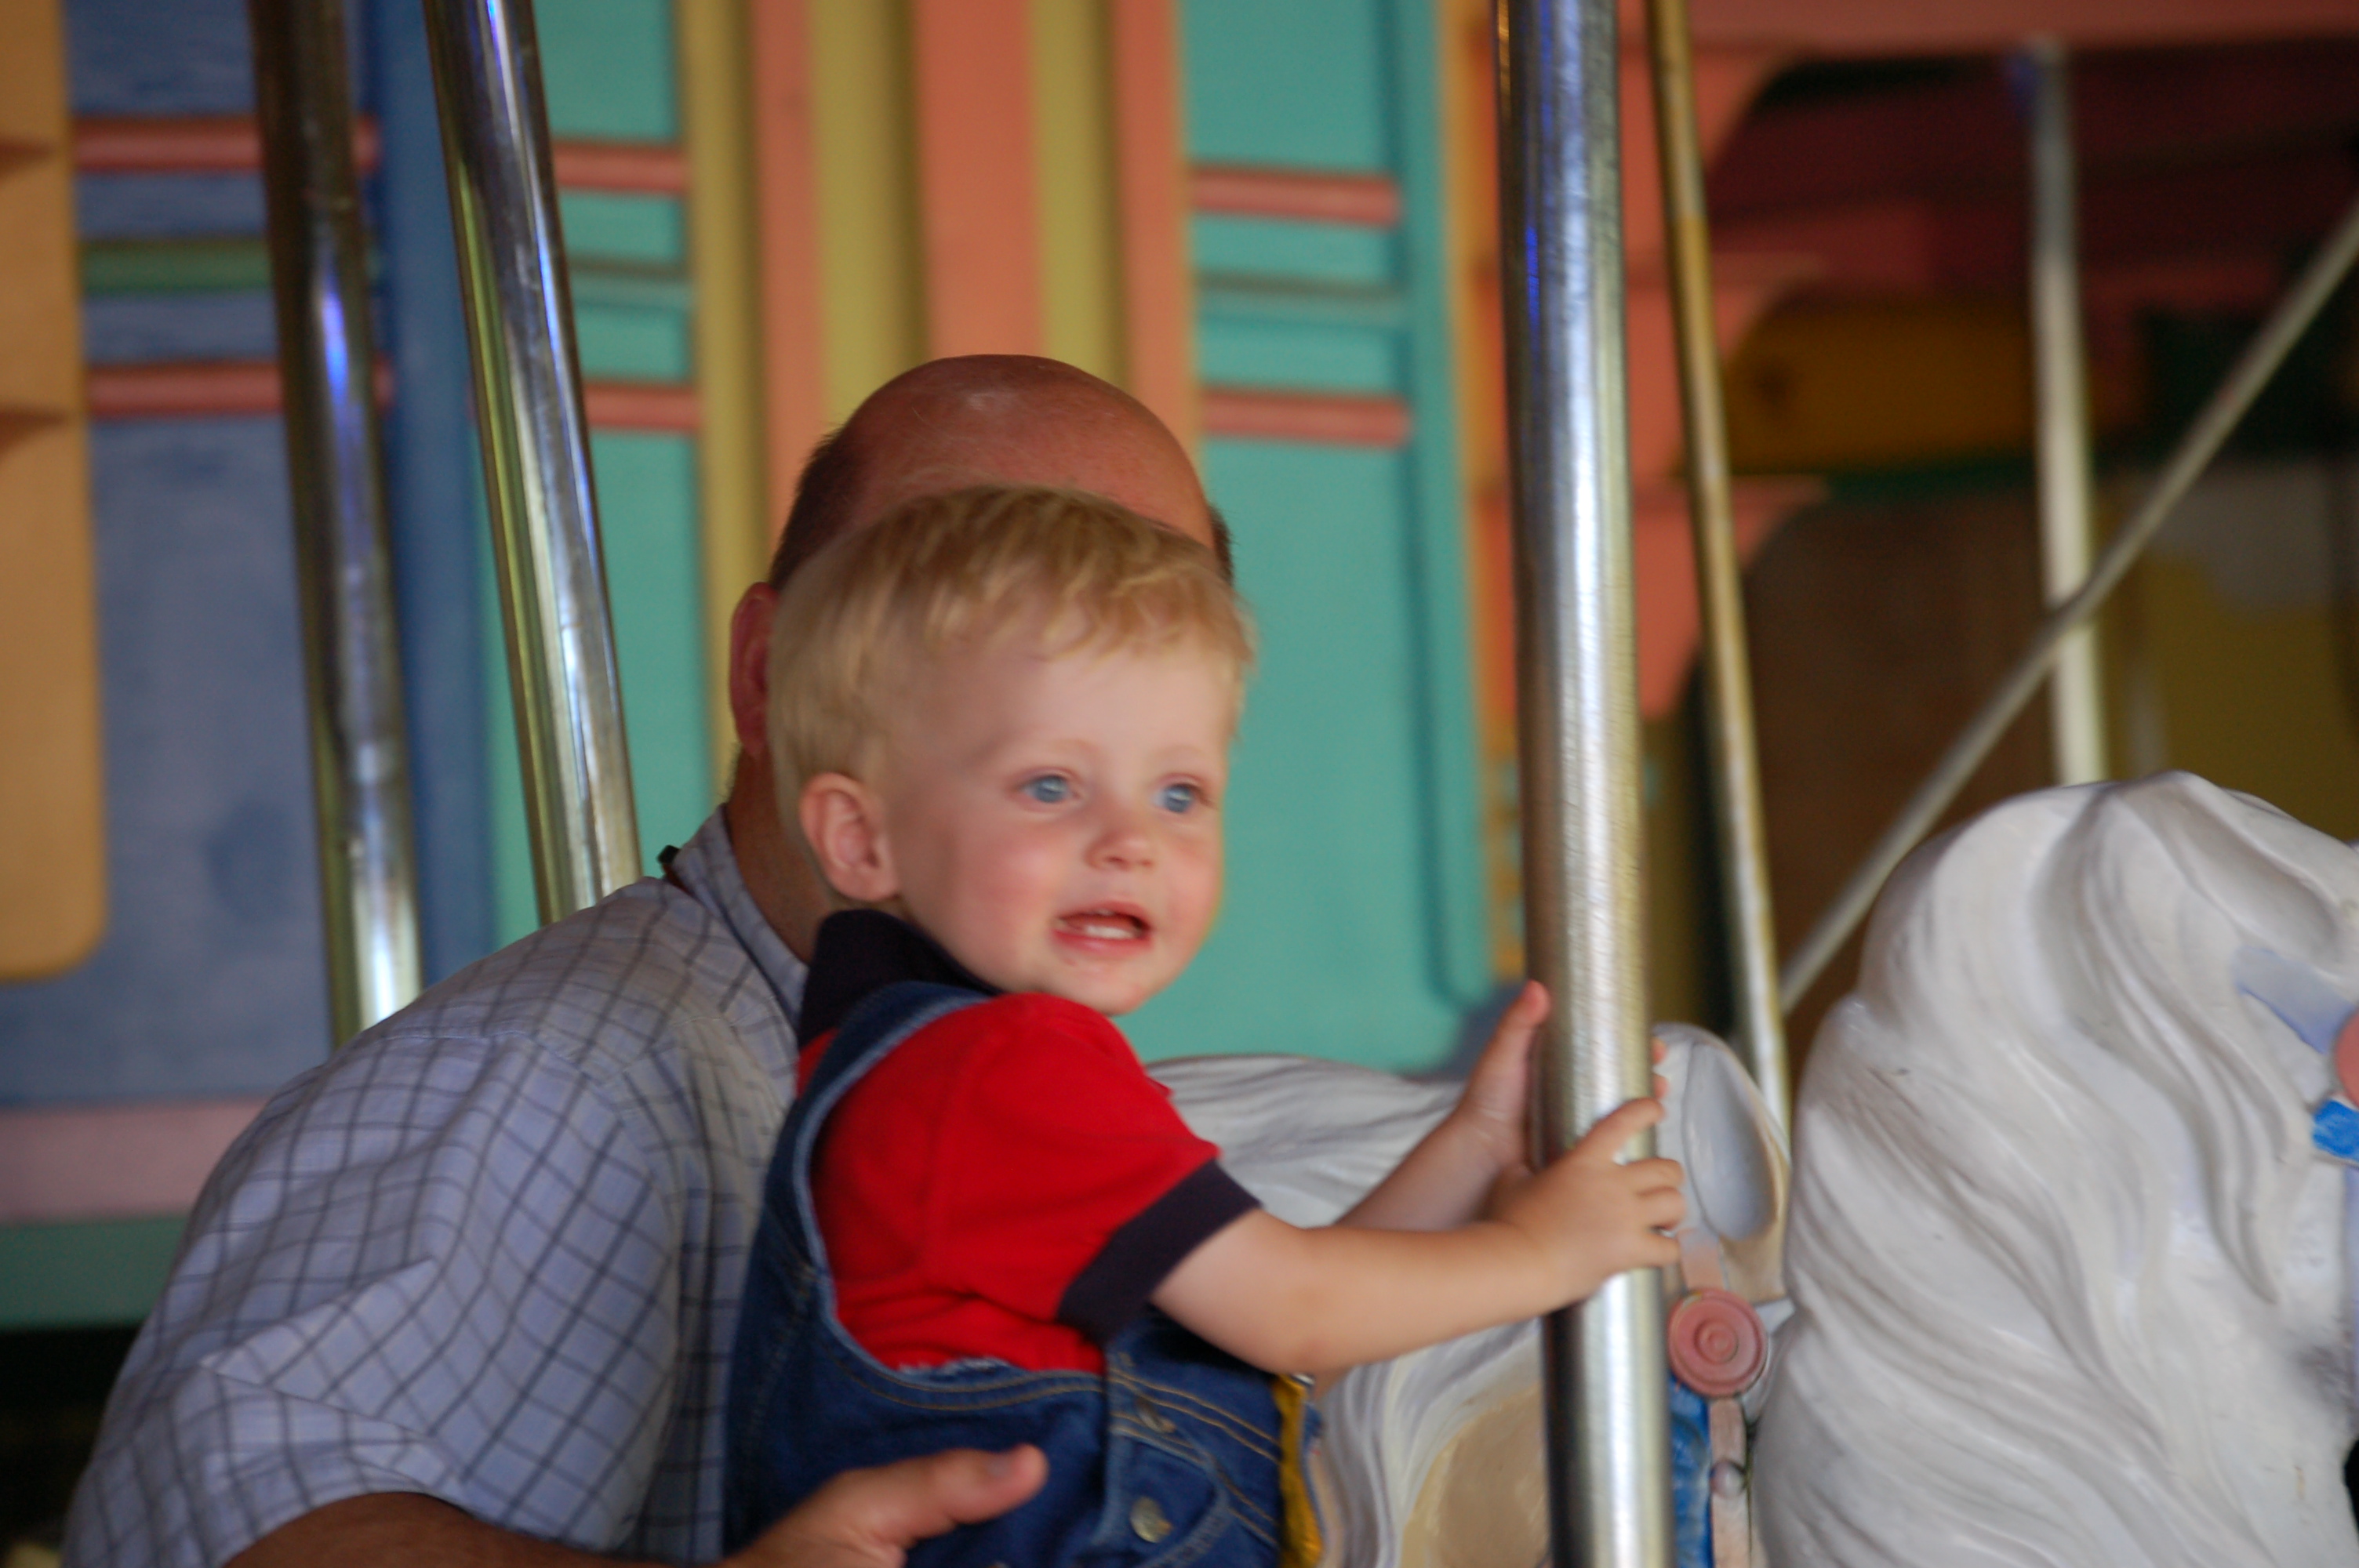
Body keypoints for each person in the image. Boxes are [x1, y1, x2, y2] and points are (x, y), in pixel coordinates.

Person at [60, 357, 1225, 1568]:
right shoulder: (543, 1078)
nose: (1057, 700)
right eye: (961, 623)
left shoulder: (992, 1087)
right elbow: (239, 1531)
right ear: (772, 676)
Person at [723, 485, 1684, 1567]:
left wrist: (1474, 1145)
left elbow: (1272, 1324)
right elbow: (1294, 1310)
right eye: (1051, 785)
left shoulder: (922, 1065)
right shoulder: (999, 1068)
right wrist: (1542, 1254)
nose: (1130, 840)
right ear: (863, 840)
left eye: (1178, 794)